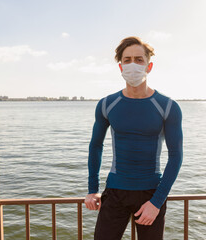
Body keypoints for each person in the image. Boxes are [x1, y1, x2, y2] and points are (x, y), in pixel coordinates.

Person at [84, 36, 183, 240]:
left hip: (151, 194)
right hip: (114, 193)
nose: (133, 65)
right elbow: (95, 146)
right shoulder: (106, 104)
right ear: (120, 67)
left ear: (149, 66)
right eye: (127, 60)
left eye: (139, 60)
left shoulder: (167, 107)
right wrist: (92, 189)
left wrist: (157, 202)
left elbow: (176, 156)